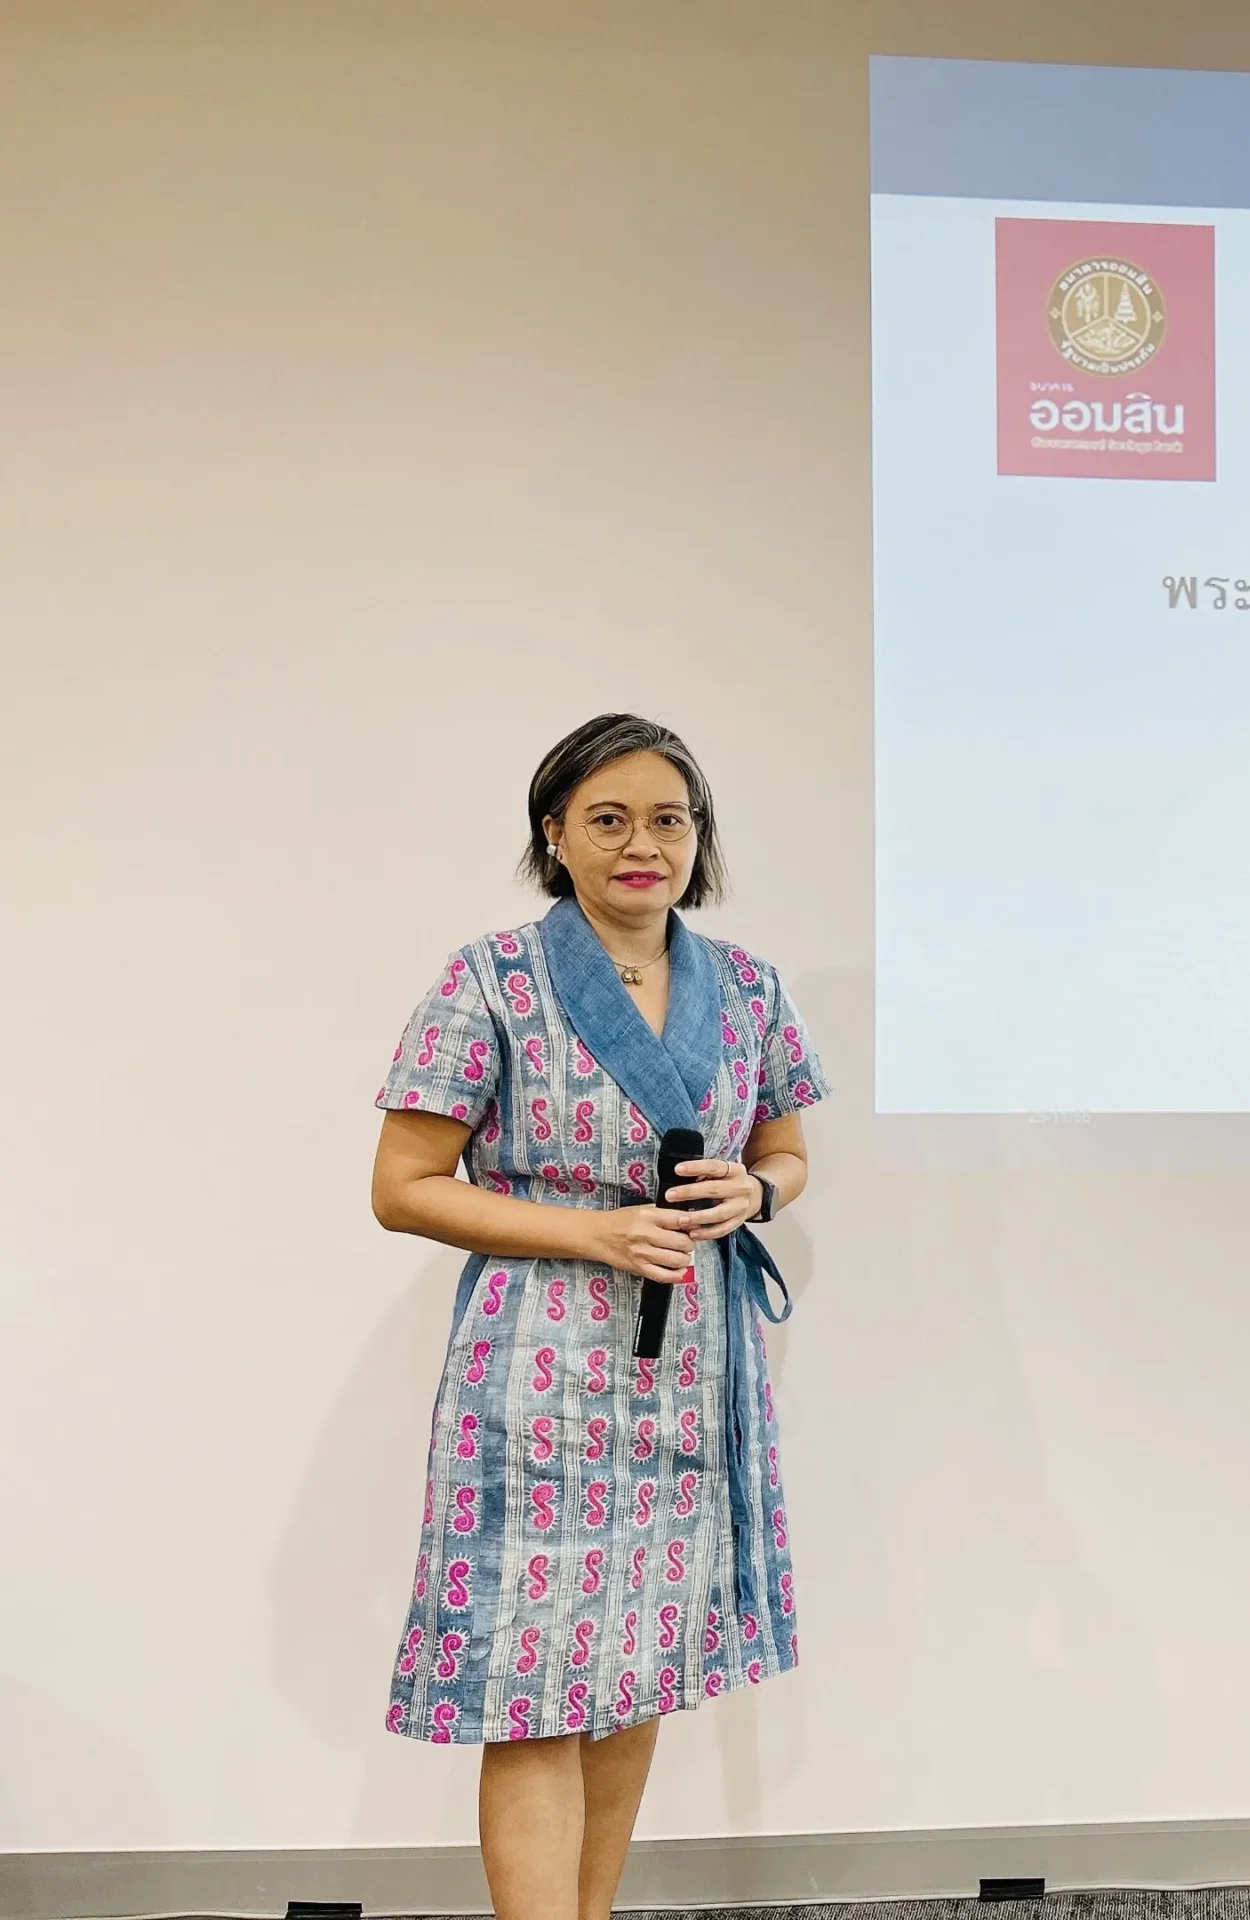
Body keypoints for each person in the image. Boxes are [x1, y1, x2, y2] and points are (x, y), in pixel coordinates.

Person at [370, 713, 829, 1920]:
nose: (642, 846)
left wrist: (757, 1191)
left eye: (668, 820)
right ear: (554, 835)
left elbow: (786, 1149)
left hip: (691, 1374)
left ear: (699, 837)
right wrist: (593, 1233)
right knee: (532, 1692)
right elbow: (402, 1187)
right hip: (538, 1374)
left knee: (634, 1677)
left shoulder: (748, 987)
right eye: (608, 819)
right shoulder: (489, 979)